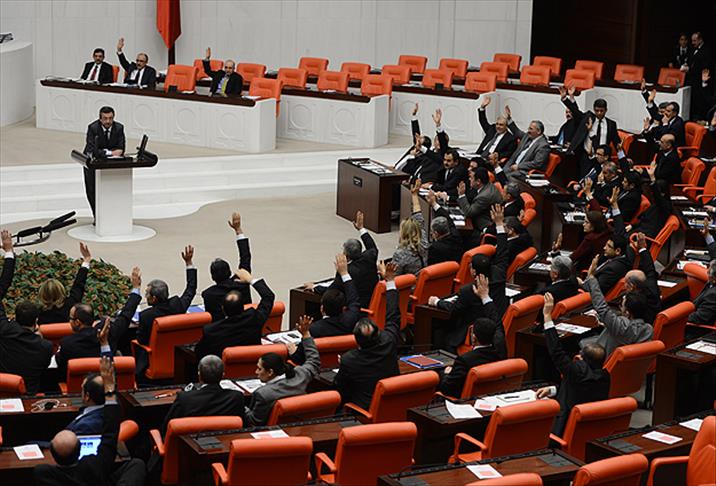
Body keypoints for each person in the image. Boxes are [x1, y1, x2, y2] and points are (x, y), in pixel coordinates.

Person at [34, 357, 146, 486]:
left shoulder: (44, 474)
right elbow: (110, 435)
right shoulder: (94, 466)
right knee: (137, 464)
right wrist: (110, 386)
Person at [428, 206, 509, 353]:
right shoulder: (499, 275)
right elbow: (503, 251)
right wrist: (499, 224)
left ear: (473, 272)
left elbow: (454, 309)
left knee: (442, 332)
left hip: (477, 331)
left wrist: (437, 302)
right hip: (497, 324)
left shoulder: (470, 290)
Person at [536, 293, 610, 436]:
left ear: (581, 358)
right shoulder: (605, 377)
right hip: (588, 433)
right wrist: (553, 390)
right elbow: (577, 390)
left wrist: (547, 316)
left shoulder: (576, 372)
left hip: (561, 431)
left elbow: (556, 351)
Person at [334, 262, 401, 409]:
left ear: (357, 342)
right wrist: (390, 281)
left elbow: (339, 388)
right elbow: (393, 315)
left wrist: (343, 366)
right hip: (393, 405)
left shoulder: (349, 359)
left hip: (363, 409)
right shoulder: (389, 340)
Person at [0, 230, 53, 394]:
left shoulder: (4, 330)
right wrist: (9, 251)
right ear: (36, 321)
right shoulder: (45, 346)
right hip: (30, 397)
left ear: (15, 318)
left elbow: (3, 285)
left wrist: (9, 252)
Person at [244, 315, 321, 426]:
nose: (256, 372)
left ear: (270, 372)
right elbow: (314, 361)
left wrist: (239, 405)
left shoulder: (263, 394)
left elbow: (253, 421)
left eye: (259, 369)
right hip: (298, 426)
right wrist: (306, 334)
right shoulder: (301, 375)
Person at [580, 256, 654, 358]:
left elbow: (601, 307)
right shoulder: (649, 330)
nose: (620, 308)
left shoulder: (621, 327)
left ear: (627, 313)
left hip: (601, 360)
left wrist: (591, 278)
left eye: (622, 306)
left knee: (582, 343)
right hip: (628, 366)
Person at [195, 268, 275, 360]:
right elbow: (268, 296)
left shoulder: (212, 330)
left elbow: (199, 352)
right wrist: (251, 279)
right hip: (254, 365)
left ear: (223, 309)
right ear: (243, 306)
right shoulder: (254, 318)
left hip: (224, 367)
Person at [438, 285, 503, 397]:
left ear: (473, 337)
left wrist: (446, 374)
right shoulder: (501, 350)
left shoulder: (464, 361)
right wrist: (485, 297)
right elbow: (497, 322)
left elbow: (447, 389)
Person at [307, 210, 378, 308]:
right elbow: (371, 246)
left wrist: (314, 287)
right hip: (372, 300)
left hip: (358, 308)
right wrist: (361, 228)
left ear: (346, 256)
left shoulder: (347, 272)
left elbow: (331, 290)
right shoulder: (369, 257)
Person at [162, 355, 245, 433]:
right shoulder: (236, 398)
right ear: (223, 375)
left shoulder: (184, 398)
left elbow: (166, 428)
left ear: (199, 375)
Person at [64, 319, 113, 435]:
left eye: (82, 388)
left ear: (87, 396)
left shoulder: (86, 426)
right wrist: (104, 343)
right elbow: (110, 374)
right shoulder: (112, 410)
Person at [202, 212, 252, 322]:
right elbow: (246, 258)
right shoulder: (242, 283)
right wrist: (238, 230)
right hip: (247, 325)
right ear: (230, 272)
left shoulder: (208, 294)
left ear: (212, 277)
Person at [561, 85, 620, 178]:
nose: (599, 113)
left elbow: (617, 143)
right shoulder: (588, 118)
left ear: (606, 110)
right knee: (585, 179)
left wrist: (623, 158)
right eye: (597, 110)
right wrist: (566, 98)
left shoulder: (611, 124)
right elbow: (576, 112)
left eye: (601, 111)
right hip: (586, 156)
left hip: (602, 158)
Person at [553, 188, 615, 271]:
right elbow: (597, 210)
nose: (583, 224)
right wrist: (589, 195)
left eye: (586, 222)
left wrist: (556, 252)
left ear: (594, 225)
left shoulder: (591, 239)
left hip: (585, 269)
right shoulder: (607, 229)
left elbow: (572, 258)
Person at [82, 106, 126, 220]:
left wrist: (103, 152)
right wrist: (110, 152)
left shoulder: (119, 128)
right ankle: (97, 216)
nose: (108, 121)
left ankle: (110, 216)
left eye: (110, 118)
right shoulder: (93, 128)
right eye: (105, 118)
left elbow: (121, 149)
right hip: (91, 163)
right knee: (92, 190)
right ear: (100, 119)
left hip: (109, 164)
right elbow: (92, 149)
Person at [306, 254, 361, 338]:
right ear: (343, 309)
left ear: (322, 309)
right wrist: (344, 273)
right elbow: (354, 300)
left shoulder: (314, 329)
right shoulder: (351, 320)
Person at [37, 242, 92, 324]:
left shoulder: (38, 314)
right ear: (61, 290)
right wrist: (87, 259)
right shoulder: (72, 304)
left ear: (42, 294)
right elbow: (79, 284)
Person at [503, 106, 550, 179]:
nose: (528, 130)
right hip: (512, 164)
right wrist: (509, 119)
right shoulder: (527, 136)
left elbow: (536, 163)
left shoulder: (543, 146)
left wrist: (519, 166)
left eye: (531, 129)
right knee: (498, 173)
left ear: (538, 131)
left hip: (524, 170)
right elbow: (516, 131)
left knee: (504, 177)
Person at [392, 181, 428, 275]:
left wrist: (383, 271)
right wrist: (414, 195)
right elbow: (418, 216)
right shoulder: (424, 242)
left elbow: (393, 278)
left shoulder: (400, 254)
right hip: (422, 278)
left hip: (409, 283)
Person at [457, 167, 503, 241]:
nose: (469, 179)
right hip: (480, 216)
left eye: (471, 178)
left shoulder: (484, 196)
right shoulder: (487, 186)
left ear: (478, 181)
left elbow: (468, 212)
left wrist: (461, 195)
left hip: (483, 225)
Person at [629, 164, 673, 239]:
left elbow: (657, 196)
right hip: (638, 230)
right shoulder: (655, 205)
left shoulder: (665, 206)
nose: (651, 194)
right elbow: (644, 220)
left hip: (644, 235)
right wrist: (632, 226)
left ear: (662, 193)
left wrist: (652, 178)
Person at [688, 220, 716, 324]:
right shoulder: (712, 284)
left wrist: (680, 317)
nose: (706, 271)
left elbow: (700, 318)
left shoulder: (713, 295)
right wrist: (707, 235)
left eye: (708, 272)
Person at [426, 190, 464, 265]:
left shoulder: (435, 248)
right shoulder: (456, 236)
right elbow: (448, 219)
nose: (431, 233)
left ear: (436, 234)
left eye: (432, 232)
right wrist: (434, 204)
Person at [475, 96, 517, 160]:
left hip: (491, 159)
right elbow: (483, 121)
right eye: (497, 124)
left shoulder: (510, 138)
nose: (498, 126)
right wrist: (482, 108)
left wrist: (497, 155)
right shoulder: (492, 130)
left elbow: (509, 153)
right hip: (479, 155)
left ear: (506, 126)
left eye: (501, 125)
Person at [686, 32, 713, 119]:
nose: (692, 43)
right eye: (692, 41)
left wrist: (690, 70)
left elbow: (705, 66)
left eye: (695, 41)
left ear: (700, 40)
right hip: (692, 80)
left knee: (700, 101)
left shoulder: (707, 51)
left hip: (700, 80)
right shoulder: (692, 49)